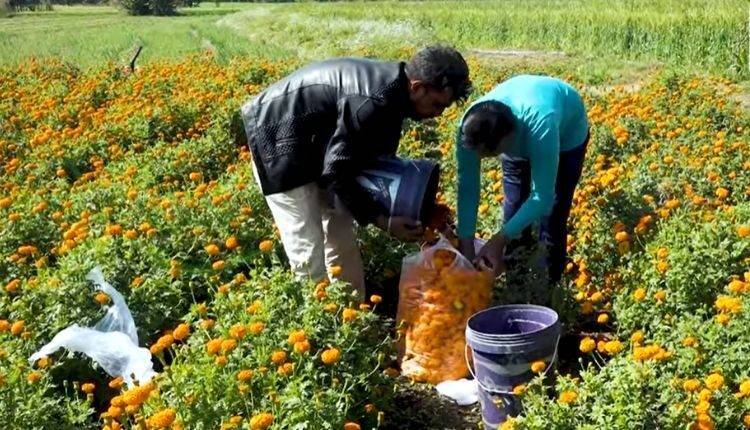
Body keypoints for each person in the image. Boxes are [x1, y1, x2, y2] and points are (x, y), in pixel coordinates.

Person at [239, 46, 472, 297]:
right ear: (417, 87)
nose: (438, 114)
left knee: (340, 237)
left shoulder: (396, 95)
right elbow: (337, 171)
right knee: (307, 249)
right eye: (437, 104)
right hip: (279, 143)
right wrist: (383, 221)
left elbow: (371, 168)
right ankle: (318, 321)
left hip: (319, 148)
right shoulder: (372, 101)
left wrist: (426, 212)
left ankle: (355, 311)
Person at [455, 75, 589, 284]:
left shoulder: (540, 124)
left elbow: (542, 197)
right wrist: (466, 243)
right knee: (515, 205)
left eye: (490, 154)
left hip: (566, 137)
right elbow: (468, 188)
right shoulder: (469, 127)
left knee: (553, 213)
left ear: (508, 139)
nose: (484, 160)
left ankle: (547, 285)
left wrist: (499, 240)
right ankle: (514, 278)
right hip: (517, 133)